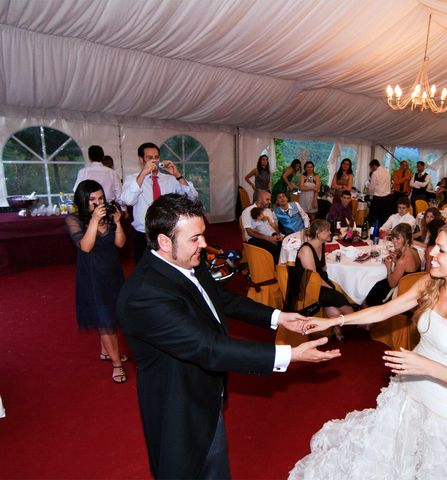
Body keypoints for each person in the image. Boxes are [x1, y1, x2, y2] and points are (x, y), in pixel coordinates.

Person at [117, 194, 340, 479]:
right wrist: (291, 354)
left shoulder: (188, 259)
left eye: (203, 235)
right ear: (163, 242)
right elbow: (207, 347)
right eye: (195, 238)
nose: (204, 245)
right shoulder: (144, 295)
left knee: (216, 468)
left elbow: (221, 298)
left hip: (208, 393)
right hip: (178, 406)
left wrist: (278, 317)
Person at [290, 220, 447, 479]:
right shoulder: (431, 285)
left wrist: (428, 367)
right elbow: (383, 310)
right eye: (435, 245)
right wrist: (335, 320)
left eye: (442, 250)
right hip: (409, 388)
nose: (431, 253)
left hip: (446, 407)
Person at [66, 180, 127, 383]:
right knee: (104, 319)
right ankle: (117, 364)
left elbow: (120, 243)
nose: (97, 202)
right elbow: (85, 246)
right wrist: (93, 221)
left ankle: (105, 351)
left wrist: (117, 222)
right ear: (82, 201)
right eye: (92, 199)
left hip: (112, 271)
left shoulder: (108, 216)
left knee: (113, 312)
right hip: (92, 275)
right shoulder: (73, 219)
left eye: (100, 198)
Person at [121, 142, 198, 263]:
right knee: (144, 271)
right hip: (144, 235)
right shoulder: (133, 179)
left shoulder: (170, 179)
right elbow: (128, 200)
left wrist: (177, 174)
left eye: (156, 157)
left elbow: (192, 197)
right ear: (141, 160)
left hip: (168, 232)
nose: (154, 161)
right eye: (150, 158)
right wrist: (143, 174)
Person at [288, 219, 354, 342]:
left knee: (333, 303)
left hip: (319, 281)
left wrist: (329, 283)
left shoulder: (321, 244)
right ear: (318, 233)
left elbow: (322, 268)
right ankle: (358, 321)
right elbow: (313, 278)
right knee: (338, 297)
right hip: (306, 287)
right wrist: (330, 287)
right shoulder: (307, 249)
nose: (330, 233)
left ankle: (336, 330)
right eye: (327, 231)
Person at [364, 223, 421, 307]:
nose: (394, 241)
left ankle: (368, 314)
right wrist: (396, 259)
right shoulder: (414, 251)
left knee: (369, 288)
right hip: (411, 289)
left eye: (398, 238)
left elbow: (392, 284)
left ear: (407, 239)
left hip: (400, 293)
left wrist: (389, 267)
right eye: (393, 238)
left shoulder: (402, 261)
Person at [241, 190, 281, 262]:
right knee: (274, 249)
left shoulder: (268, 211)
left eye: (270, 200)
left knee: (285, 244)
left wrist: (278, 235)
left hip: (270, 235)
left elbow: (274, 227)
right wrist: (267, 238)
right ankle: (275, 268)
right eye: (267, 199)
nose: (269, 202)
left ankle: (282, 266)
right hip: (254, 238)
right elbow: (249, 232)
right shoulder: (248, 211)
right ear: (260, 199)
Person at [366, 159, 392, 228]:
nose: (371, 170)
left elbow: (372, 188)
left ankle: (372, 232)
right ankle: (382, 232)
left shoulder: (375, 173)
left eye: (371, 168)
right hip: (387, 198)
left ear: (374, 166)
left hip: (378, 199)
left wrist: (369, 194)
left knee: (373, 218)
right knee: (384, 218)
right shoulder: (387, 172)